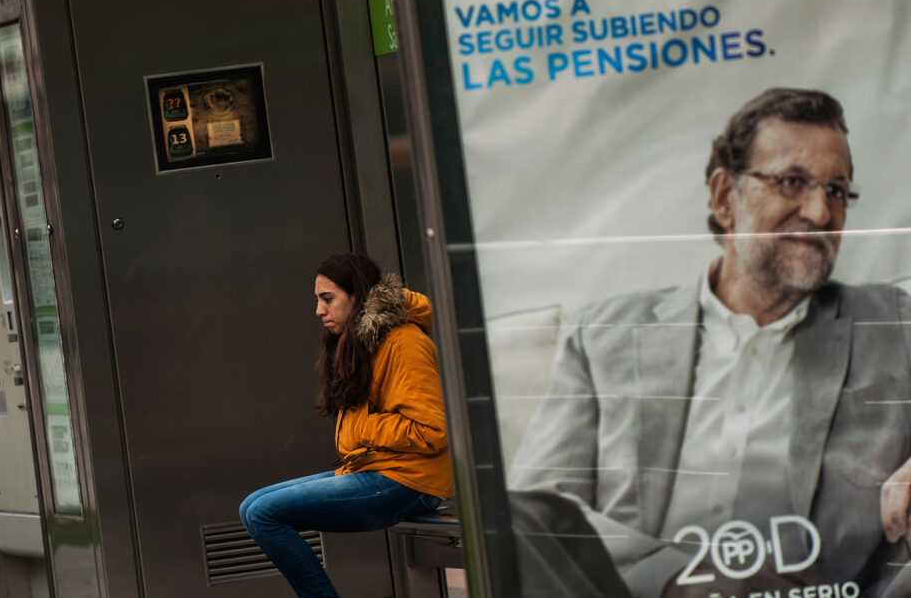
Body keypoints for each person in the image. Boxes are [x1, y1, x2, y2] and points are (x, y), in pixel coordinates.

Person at [511, 88, 911, 596]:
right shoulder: (606, 336)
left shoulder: (893, 325)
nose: (819, 212)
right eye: (793, 182)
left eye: (836, 191)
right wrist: (674, 575)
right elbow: (536, 509)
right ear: (725, 197)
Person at [239, 252, 452, 597]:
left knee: (264, 513)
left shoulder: (404, 343)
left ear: (358, 296)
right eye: (317, 300)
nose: (319, 311)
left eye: (328, 299)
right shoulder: (363, 342)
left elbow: (432, 430)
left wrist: (362, 429)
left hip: (409, 481)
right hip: (377, 469)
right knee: (251, 506)